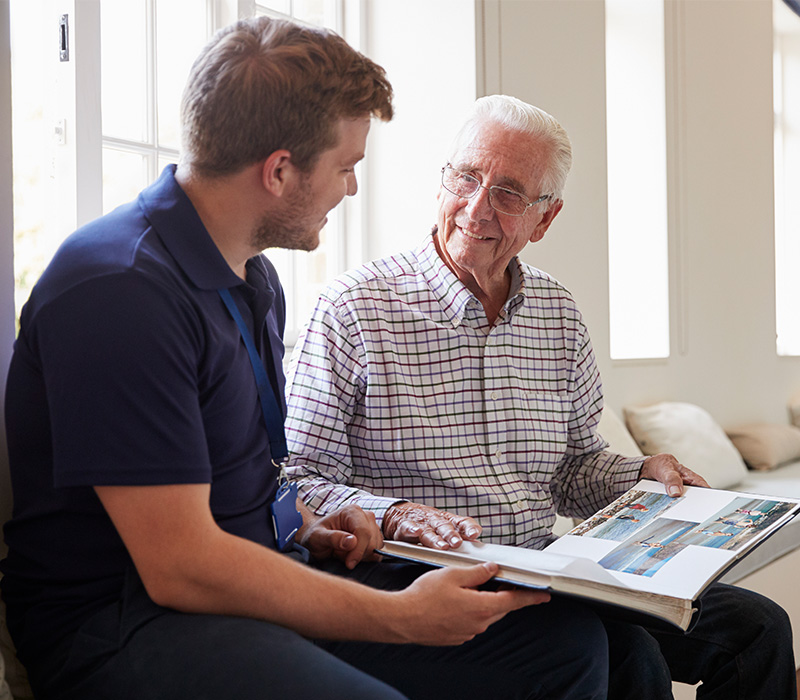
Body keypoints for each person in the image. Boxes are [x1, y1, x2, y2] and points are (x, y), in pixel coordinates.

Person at [0, 21, 619, 700]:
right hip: (126, 622)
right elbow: (182, 568)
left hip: (246, 582)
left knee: (564, 649)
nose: (352, 189)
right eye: (346, 166)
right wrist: (401, 618)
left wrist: (310, 523)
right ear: (279, 170)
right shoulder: (118, 289)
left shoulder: (252, 282)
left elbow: (255, 477)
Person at [284, 94, 797, 698]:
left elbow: (574, 467)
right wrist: (398, 514)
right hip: (421, 575)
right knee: (631, 655)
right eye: (466, 178)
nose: (477, 208)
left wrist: (643, 474)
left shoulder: (557, 314)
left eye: (507, 193)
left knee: (761, 627)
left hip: (551, 565)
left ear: (544, 220)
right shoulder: (352, 308)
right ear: (442, 179)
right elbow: (298, 479)